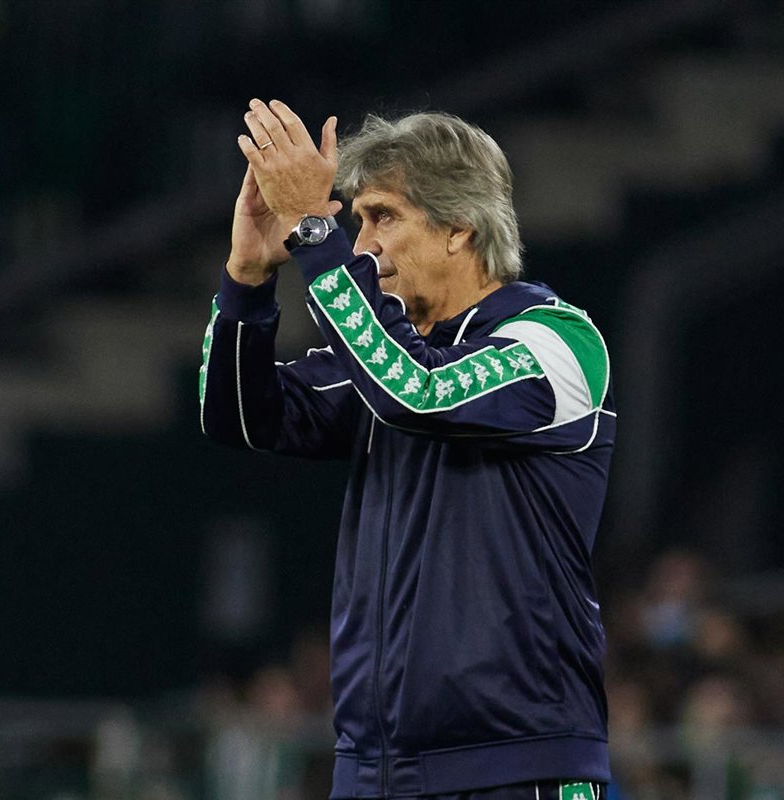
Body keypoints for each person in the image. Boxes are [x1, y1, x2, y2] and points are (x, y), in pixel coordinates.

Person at [199, 99, 615, 800]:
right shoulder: (384, 360)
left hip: (517, 768)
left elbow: (416, 392)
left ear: (460, 227)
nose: (362, 245)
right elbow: (238, 415)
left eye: (383, 217)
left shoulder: (556, 342)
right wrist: (246, 279)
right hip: (373, 771)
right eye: (356, 221)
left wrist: (314, 228)